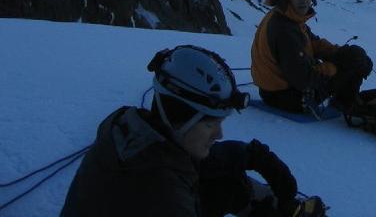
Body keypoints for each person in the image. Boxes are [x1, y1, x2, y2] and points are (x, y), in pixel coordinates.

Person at [61, 44, 326, 217]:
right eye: (210, 123)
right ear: (179, 116)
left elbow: (175, 159)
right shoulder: (163, 197)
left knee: (226, 181)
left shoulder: (133, 131)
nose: (219, 134)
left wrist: (242, 154)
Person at [251, 0, 373, 116]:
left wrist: (340, 53)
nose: (304, 0)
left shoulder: (286, 16)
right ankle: (344, 104)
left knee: (355, 56)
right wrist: (339, 68)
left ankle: (345, 99)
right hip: (287, 97)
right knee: (355, 63)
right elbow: (305, 79)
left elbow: (312, 42)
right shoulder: (284, 29)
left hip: (277, 90)